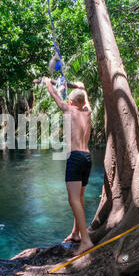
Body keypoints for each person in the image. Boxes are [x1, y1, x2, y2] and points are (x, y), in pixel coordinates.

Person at [42, 77, 94, 256]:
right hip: (87, 158)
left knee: (73, 200)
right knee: (79, 198)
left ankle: (86, 240)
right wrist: (83, 87)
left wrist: (48, 83)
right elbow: (85, 100)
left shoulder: (68, 109)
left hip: (76, 157)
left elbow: (55, 96)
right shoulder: (87, 111)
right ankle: (76, 233)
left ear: (71, 102)